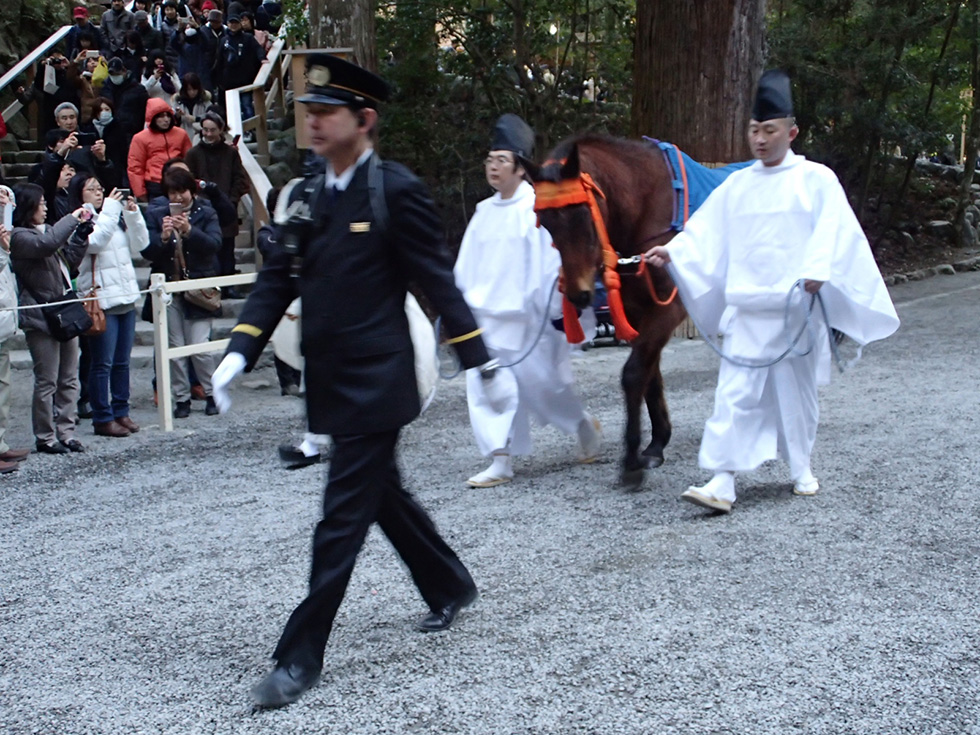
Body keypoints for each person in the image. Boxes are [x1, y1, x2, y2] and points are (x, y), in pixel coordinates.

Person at [210, 54, 509, 709]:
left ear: (363, 120)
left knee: (340, 519)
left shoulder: (393, 190)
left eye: (326, 113)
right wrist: (240, 351)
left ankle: (299, 655)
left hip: (380, 383)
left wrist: (478, 358)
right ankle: (450, 583)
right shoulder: (308, 194)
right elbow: (277, 280)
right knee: (380, 496)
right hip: (330, 382)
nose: (312, 123)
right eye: (308, 112)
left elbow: (437, 279)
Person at [643, 70, 900, 514]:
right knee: (734, 393)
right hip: (747, 309)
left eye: (769, 130)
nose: (759, 139)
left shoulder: (816, 179)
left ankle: (800, 465)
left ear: (792, 132)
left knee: (794, 395)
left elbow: (834, 230)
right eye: (754, 130)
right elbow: (706, 231)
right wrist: (675, 251)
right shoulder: (738, 185)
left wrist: (818, 269)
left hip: (793, 309)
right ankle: (723, 480)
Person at [453, 114, 601, 487]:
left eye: (501, 160)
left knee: (546, 390)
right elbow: (466, 265)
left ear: (521, 168)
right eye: (489, 160)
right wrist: (456, 311)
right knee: (488, 389)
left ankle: (582, 423)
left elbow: (552, 263)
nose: (493, 167)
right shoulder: (484, 212)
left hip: (527, 318)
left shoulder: (536, 207)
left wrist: (557, 311)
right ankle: (499, 460)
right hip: (486, 319)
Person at [9, 183, 94, 454]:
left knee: (69, 377)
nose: (45, 207)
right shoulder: (19, 236)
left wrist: (80, 236)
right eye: (41, 203)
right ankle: (45, 436)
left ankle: (66, 432)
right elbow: (46, 245)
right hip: (38, 314)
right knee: (46, 380)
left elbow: (68, 263)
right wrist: (72, 218)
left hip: (63, 309)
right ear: (28, 206)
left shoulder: (46, 231)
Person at [68, 174, 148, 437]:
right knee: (102, 362)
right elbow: (96, 242)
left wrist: (133, 216)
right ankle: (102, 417)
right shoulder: (80, 219)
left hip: (124, 296)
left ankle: (121, 411)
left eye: (100, 188)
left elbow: (141, 245)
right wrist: (113, 210)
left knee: (122, 362)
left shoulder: (112, 217)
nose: (99, 193)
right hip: (100, 300)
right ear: (79, 194)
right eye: (91, 189)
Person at [142, 166, 221, 416]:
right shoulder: (157, 214)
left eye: (182, 191)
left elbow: (214, 245)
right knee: (174, 347)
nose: (177, 198)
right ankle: (181, 398)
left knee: (199, 346)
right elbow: (147, 252)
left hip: (198, 286)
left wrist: (189, 231)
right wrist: (164, 238)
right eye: (172, 193)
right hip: (167, 288)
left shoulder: (206, 212)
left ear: (192, 191)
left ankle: (212, 392)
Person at [184, 111, 247, 291]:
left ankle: (229, 286)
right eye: (205, 130)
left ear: (221, 130)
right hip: (202, 208)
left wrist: (232, 200)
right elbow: (189, 179)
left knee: (228, 248)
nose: (208, 134)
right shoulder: (193, 154)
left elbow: (240, 179)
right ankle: (210, 289)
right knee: (208, 248)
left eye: (212, 130)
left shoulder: (231, 153)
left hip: (226, 206)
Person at [0, 188, 31, 473]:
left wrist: (6, 201)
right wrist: (2, 248)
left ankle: (0, 442)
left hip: (3, 319)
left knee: (4, 387)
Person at [127, 98, 192, 201]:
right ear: (153, 118)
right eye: (161, 116)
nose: (166, 119)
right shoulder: (140, 138)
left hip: (180, 182)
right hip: (155, 185)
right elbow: (135, 167)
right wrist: (140, 193)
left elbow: (189, 160)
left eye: (168, 115)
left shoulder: (181, 134)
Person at [212, 12, 265, 121]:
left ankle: (251, 130)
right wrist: (218, 80)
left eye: (236, 23)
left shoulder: (248, 38)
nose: (233, 25)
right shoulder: (224, 40)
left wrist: (263, 58)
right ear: (227, 24)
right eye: (231, 23)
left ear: (240, 24)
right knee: (231, 108)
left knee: (247, 106)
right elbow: (219, 60)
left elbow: (258, 49)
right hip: (228, 82)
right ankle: (234, 130)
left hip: (245, 80)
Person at [101, 57, 150, 154]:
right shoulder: (106, 89)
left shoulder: (138, 90)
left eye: (117, 74)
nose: (115, 77)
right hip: (111, 133)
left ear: (124, 71)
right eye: (112, 74)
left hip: (132, 133)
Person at [172, 73, 212, 144]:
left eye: (194, 89)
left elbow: (211, 117)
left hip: (202, 138)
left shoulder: (205, 100)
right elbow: (172, 121)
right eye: (189, 90)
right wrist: (177, 116)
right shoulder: (178, 101)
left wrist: (196, 119)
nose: (192, 92)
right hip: (183, 138)